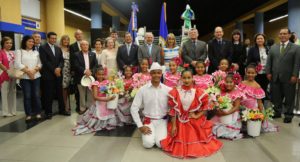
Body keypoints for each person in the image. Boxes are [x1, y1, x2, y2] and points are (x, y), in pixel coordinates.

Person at [160, 70, 222, 158]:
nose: (186, 80)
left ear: (193, 78)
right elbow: (173, 110)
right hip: (179, 121)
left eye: (189, 78)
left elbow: (205, 107)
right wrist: (174, 125)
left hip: (194, 121)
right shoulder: (175, 92)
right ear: (181, 78)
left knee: (197, 139)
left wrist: (197, 115)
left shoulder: (198, 92)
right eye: (184, 78)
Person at [130, 62, 171, 148]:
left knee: (160, 144)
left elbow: (175, 105)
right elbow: (134, 108)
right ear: (150, 73)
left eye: (159, 73)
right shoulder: (143, 90)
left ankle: (158, 135)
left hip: (162, 121)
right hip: (148, 121)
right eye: (154, 72)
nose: (156, 75)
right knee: (148, 144)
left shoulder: (168, 90)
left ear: (161, 74)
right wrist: (140, 126)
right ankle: (151, 136)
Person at [266, 28, 300, 123]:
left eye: (285, 34)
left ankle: (288, 115)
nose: (282, 35)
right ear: (278, 36)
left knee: (289, 97)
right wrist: (268, 72)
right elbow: (269, 61)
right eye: (281, 34)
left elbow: (297, 63)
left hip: (289, 77)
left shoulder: (296, 48)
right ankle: (277, 112)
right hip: (274, 76)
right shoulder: (273, 47)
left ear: (289, 35)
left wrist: (295, 75)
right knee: (276, 96)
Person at [72, 67, 117, 135]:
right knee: (99, 112)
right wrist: (106, 99)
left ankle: (105, 124)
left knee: (109, 112)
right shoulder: (95, 84)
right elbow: (95, 97)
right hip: (100, 102)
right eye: (99, 74)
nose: (101, 76)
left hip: (106, 102)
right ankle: (98, 124)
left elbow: (109, 91)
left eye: (102, 74)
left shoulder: (106, 82)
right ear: (95, 75)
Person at [238, 64, 278, 132]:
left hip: (252, 108)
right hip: (242, 107)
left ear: (256, 73)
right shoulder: (242, 83)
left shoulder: (257, 86)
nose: (250, 74)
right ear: (245, 72)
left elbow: (259, 102)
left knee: (251, 123)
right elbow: (238, 97)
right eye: (248, 72)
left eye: (252, 73)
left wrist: (262, 114)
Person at [15, 35, 42, 121]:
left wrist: (34, 71)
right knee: (27, 96)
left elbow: (40, 64)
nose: (31, 43)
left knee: (37, 95)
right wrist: (28, 72)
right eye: (29, 41)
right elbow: (17, 64)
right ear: (25, 42)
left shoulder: (36, 52)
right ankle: (28, 114)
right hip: (24, 78)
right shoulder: (19, 51)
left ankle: (38, 112)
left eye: (32, 42)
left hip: (36, 76)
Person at [39, 32, 65, 119]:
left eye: (55, 38)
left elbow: (62, 60)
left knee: (60, 93)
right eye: (52, 38)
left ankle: (62, 110)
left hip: (58, 74)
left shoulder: (58, 48)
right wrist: (54, 70)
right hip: (48, 75)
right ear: (48, 38)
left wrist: (59, 68)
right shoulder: (42, 48)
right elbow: (45, 61)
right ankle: (48, 112)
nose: (54, 40)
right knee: (48, 94)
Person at [213, 74, 244, 140]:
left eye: (231, 82)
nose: (228, 84)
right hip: (222, 114)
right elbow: (218, 104)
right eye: (227, 82)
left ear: (234, 83)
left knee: (228, 130)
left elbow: (236, 107)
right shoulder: (222, 92)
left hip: (232, 114)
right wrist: (219, 111)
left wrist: (227, 113)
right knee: (214, 127)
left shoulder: (236, 93)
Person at [73, 40, 98, 114]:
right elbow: (76, 65)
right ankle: (82, 108)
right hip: (80, 77)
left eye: (86, 45)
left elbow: (95, 65)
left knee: (90, 93)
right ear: (80, 46)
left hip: (91, 77)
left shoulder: (93, 54)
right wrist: (85, 71)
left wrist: (91, 72)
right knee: (82, 94)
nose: (85, 46)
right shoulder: (76, 54)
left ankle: (90, 108)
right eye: (83, 45)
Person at [0, 37, 16, 117]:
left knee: (12, 93)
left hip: (13, 75)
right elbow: (0, 64)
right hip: (5, 75)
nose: (9, 44)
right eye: (7, 43)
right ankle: (5, 112)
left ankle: (12, 111)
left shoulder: (13, 53)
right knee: (4, 93)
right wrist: (7, 71)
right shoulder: (1, 52)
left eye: (10, 43)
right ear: (3, 44)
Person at [69, 29, 84, 113]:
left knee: (86, 90)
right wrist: (73, 70)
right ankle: (78, 107)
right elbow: (72, 59)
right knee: (78, 90)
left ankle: (85, 106)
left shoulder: (86, 44)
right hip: (77, 71)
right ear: (75, 36)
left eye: (80, 34)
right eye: (77, 34)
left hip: (86, 71)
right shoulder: (72, 46)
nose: (79, 36)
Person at [60, 35, 71, 115]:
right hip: (62, 70)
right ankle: (64, 107)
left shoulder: (70, 49)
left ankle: (68, 106)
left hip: (69, 71)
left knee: (68, 89)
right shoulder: (58, 49)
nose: (66, 41)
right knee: (63, 89)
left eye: (67, 40)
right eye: (64, 40)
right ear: (62, 41)